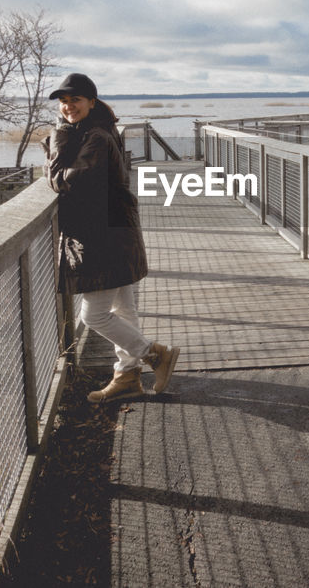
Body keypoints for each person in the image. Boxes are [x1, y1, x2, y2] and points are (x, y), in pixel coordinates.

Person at [44, 72, 178, 402]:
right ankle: (127, 377)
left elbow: (63, 181)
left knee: (93, 315)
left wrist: (57, 140)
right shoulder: (96, 131)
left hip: (103, 239)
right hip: (115, 233)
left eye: (75, 100)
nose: (68, 107)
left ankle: (154, 354)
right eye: (63, 102)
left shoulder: (96, 137)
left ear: (91, 101)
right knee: (123, 309)